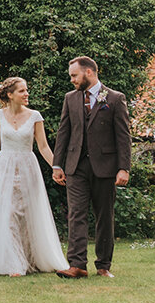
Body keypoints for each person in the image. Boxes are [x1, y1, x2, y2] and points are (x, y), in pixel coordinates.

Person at [0, 76, 68, 276]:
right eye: (22, 91)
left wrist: (57, 167)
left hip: (28, 167)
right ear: (9, 94)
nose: (27, 94)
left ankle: (33, 258)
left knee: (29, 213)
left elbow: (43, 147)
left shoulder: (35, 116)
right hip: (4, 167)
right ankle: (14, 262)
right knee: (9, 212)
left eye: (26, 90)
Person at [51, 55, 131, 279]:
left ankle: (103, 265)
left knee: (104, 216)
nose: (72, 80)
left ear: (89, 72)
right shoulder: (70, 98)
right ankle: (77, 265)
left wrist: (124, 168)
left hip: (105, 167)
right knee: (76, 214)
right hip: (75, 166)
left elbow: (123, 136)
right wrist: (58, 165)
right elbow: (63, 132)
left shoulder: (114, 98)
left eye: (74, 76)